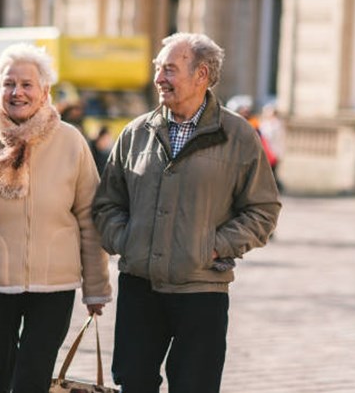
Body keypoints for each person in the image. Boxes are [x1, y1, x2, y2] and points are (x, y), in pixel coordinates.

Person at [92, 32, 281, 393]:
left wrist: (212, 246)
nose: (159, 78)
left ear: (202, 75)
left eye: (169, 69)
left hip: (202, 288)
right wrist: (128, 240)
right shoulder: (135, 133)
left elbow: (263, 209)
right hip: (140, 287)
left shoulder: (238, 135)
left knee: (196, 385)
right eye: (158, 69)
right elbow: (107, 203)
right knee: (132, 381)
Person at [0, 42, 112, 392]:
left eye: (26, 84)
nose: (17, 92)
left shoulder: (71, 142)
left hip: (54, 287)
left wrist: (96, 287)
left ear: (45, 90)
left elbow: (90, 218)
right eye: (8, 84)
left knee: (32, 382)